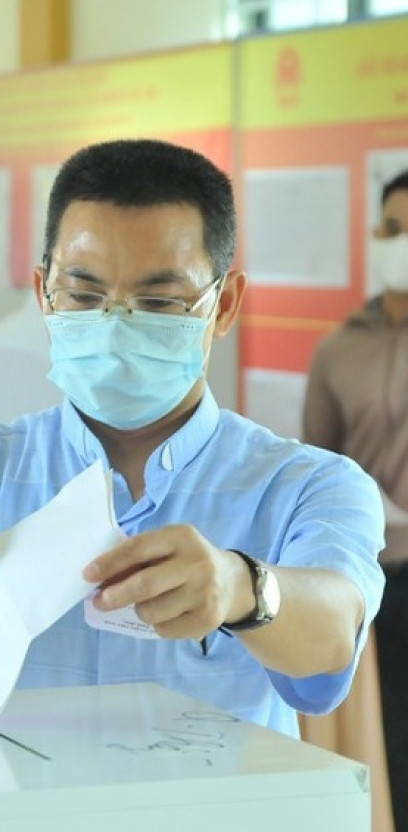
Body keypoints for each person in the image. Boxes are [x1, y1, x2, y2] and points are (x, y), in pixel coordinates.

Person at [0, 139, 385, 738]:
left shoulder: (305, 484)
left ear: (223, 306)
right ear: (43, 294)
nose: (115, 325)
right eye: (85, 295)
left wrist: (241, 588)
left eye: (159, 301)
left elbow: (334, 633)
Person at [303, 169, 408, 827]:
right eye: (394, 229)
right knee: (387, 739)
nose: (402, 242)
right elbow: (316, 465)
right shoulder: (338, 350)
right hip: (375, 581)